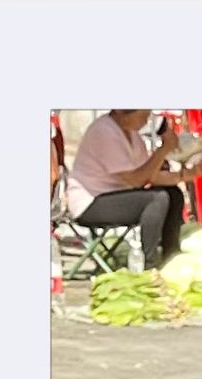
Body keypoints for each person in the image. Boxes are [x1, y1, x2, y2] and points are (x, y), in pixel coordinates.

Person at [66, 109, 190, 270]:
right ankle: (150, 265)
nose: (146, 122)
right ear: (122, 113)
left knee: (174, 194)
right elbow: (137, 180)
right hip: (90, 203)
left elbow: (151, 176)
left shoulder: (133, 136)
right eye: (142, 117)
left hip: (115, 196)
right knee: (157, 199)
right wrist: (163, 150)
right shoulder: (104, 132)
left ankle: (170, 257)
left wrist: (187, 175)